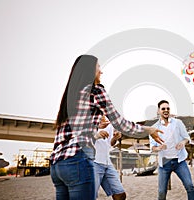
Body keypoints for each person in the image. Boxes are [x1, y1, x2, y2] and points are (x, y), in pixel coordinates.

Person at [50, 55, 163, 200]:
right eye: (98, 67)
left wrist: (95, 125)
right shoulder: (96, 91)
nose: (101, 71)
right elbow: (121, 124)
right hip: (77, 160)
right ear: (90, 70)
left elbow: (75, 129)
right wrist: (148, 130)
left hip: (57, 165)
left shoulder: (69, 96)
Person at [149, 100, 194, 200]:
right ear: (158, 111)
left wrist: (183, 143)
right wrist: (158, 148)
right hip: (164, 164)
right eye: (163, 109)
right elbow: (152, 147)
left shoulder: (178, 123)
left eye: (168, 108)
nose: (166, 110)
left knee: (189, 186)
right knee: (162, 192)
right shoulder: (153, 128)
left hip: (179, 161)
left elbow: (186, 137)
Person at [94, 116, 126, 200]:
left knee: (120, 194)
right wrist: (96, 134)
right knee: (90, 195)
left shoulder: (110, 122)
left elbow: (110, 143)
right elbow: (82, 138)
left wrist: (115, 138)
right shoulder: (90, 117)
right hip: (93, 162)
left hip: (107, 162)